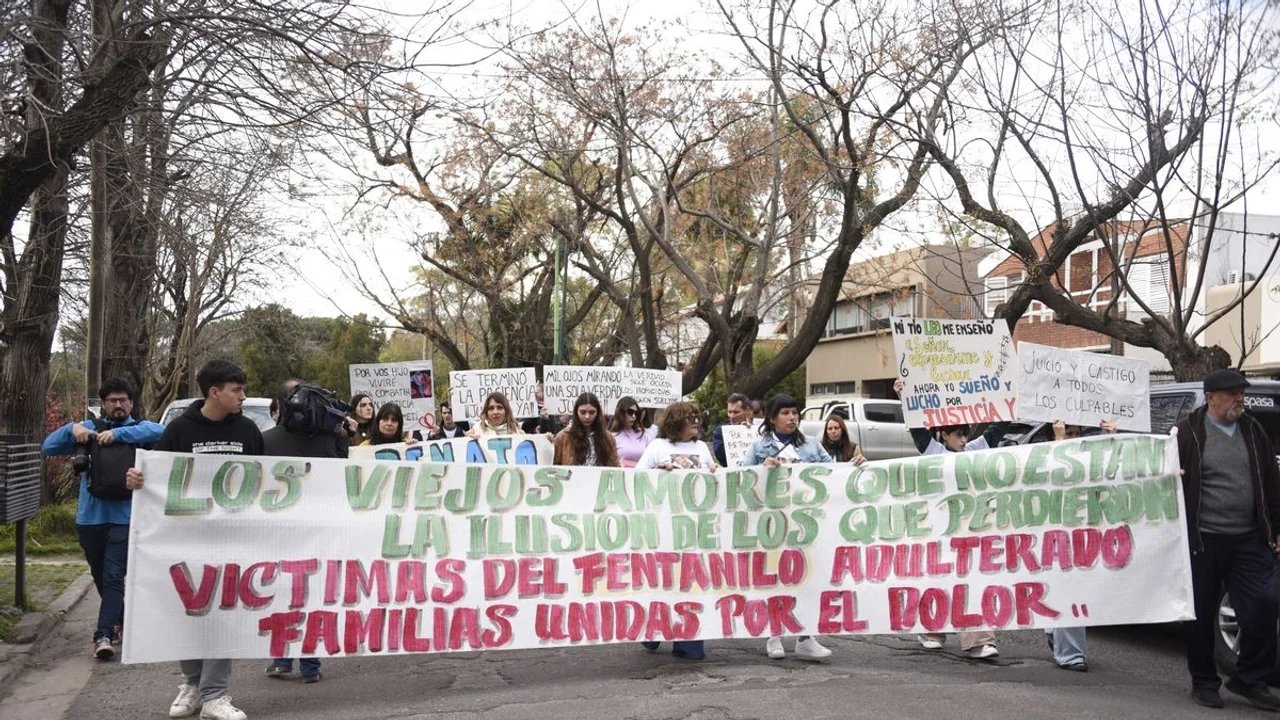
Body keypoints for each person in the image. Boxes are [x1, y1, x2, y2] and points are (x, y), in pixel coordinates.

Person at [124, 360, 263, 720]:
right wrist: (137, 480)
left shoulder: (248, 430)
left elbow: (265, 481)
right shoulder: (179, 430)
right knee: (189, 611)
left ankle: (215, 695)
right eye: (236, 390)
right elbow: (156, 474)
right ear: (214, 392)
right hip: (185, 540)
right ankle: (192, 684)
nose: (243, 396)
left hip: (232, 541)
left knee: (222, 613)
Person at [1174, 369, 1280, 711]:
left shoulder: (1253, 430)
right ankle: (1204, 682)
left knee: (1265, 603)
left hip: (1249, 537)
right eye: (1232, 394)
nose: (1239, 399)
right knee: (1201, 613)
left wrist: (1276, 528)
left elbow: (1271, 481)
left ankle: (1250, 679)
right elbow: (1162, 477)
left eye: (1241, 394)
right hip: (1202, 539)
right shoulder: (1188, 432)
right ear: (1211, 398)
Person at [41, 378, 164, 661]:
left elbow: (163, 431)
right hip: (90, 519)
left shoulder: (140, 430)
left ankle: (103, 635)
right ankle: (119, 619)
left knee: (113, 576)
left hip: (125, 518)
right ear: (103, 404)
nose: (118, 405)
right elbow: (48, 447)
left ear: (131, 403)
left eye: (123, 400)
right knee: (100, 575)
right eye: (112, 400)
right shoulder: (89, 429)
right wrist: (72, 428)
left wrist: (119, 435)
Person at [895, 377, 1008, 659]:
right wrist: (905, 397)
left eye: (965, 434)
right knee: (938, 579)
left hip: (970, 527)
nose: (963, 439)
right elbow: (916, 427)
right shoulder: (933, 451)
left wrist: (1010, 393)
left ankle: (980, 639)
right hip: (938, 527)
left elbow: (1000, 425)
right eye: (957, 434)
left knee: (972, 580)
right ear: (944, 435)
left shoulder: (977, 448)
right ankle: (931, 630)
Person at [263, 380, 349, 684]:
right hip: (316, 532)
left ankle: (282, 659)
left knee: (282, 592)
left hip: (278, 532)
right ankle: (309, 665)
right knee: (310, 594)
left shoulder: (265, 441)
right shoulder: (328, 440)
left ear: (279, 407)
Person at [743, 394, 835, 661]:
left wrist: (855, 465)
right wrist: (761, 468)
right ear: (772, 418)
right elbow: (742, 477)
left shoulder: (811, 444)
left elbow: (834, 472)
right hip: (773, 523)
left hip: (806, 522)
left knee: (808, 578)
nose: (792, 417)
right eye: (785, 413)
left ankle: (806, 638)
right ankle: (774, 634)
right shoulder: (759, 446)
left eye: (795, 412)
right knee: (776, 578)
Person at [635, 400, 715, 660]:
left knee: (691, 583)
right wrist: (656, 472)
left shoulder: (701, 448)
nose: (696, 422)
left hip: (695, 530)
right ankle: (653, 631)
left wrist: (716, 472)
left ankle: (688, 641)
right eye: (690, 417)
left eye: (696, 417)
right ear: (675, 422)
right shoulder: (657, 447)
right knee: (662, 580)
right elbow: (635, 480)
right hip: (663, 530)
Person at [1040, 418, 1117, 673]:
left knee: (1074, 590)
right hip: (1054, 535)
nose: (1073, 438)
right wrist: (1059, 441)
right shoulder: (1043, 456)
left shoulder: (1087, 459)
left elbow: (1111, 472)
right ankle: (1069, 652)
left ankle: (1059, 636)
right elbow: (1053, 475)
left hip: (1084, 535)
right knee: (1065, 589)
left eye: (1076, 433)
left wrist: (1109, 438)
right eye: (1068, 433)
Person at [553, 392, 620, 466]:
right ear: (576, 412)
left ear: (598, 413)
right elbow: (554, 466)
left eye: (592, 412)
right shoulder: (563, 436)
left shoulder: (608, 438)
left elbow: (615, 465)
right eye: (582, 412)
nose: (587, 416)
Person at [608, 395, 656, 468]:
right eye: (630, 412)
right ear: (621, 413)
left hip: (640, 473)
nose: (634, 416)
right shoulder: (611, 436)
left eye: (636, 413)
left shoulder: (643, 435)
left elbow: (651, 460)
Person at [711, 393, 753, 466]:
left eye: (736, 412)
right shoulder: (720, 431)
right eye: (729, 412)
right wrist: (738, 432)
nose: (732, 416)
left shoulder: (758, 430)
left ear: (747, 411)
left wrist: (747, 432)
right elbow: (720, 456)